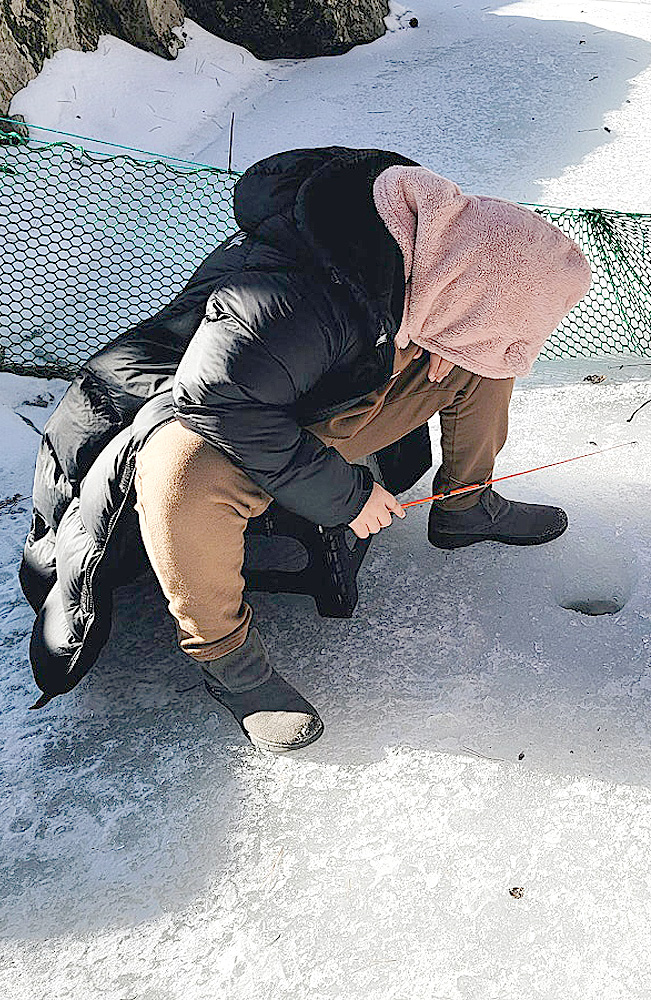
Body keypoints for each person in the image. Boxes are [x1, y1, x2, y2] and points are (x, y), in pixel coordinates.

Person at [19, 146, 591, 753]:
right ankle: (228, 661)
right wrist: (347, 496)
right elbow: (214, 406)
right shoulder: (292, 295)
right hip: (193, 417)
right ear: (466, 290)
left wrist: (461, 342)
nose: (527, 343)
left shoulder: (417, 262)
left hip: (294, 396)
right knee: (181, 466)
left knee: (483, 358)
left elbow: (468, 337)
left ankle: (465, 507)